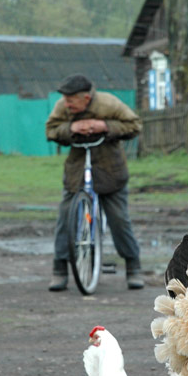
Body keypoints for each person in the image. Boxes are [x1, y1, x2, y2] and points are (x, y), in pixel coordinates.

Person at [46, 74, 144, 291]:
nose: (67, 103)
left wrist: (105, 126)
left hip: (110, 169)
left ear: (87, 98)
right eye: (65, 99)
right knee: (65, 217)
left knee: (119, 219)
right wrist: (70, 129)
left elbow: (134, 125)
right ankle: (59, 268)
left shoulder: (109, 103)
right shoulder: (62, 108)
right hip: (77, 169)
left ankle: (133, 266)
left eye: (71, 99)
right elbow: (51, 130)